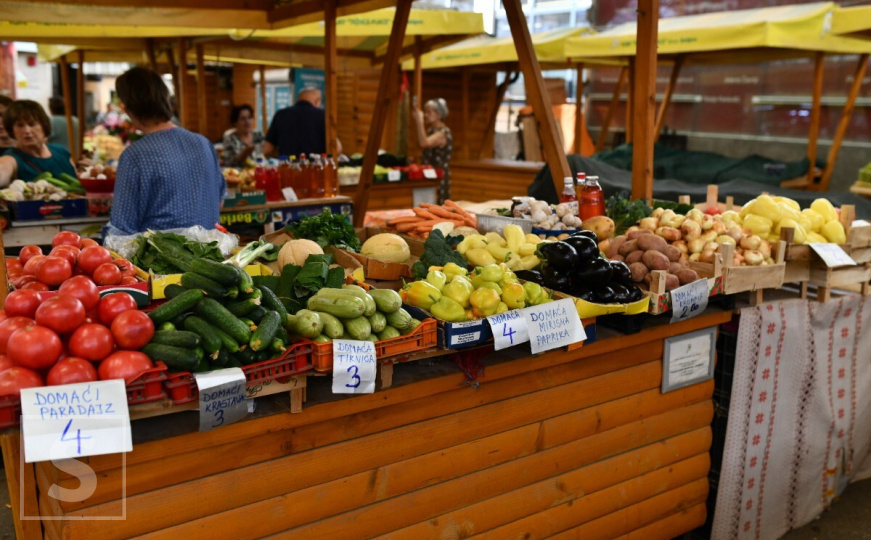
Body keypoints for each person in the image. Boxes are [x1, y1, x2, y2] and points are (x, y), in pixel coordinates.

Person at [105, 66, 225, 236]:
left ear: (128, 108)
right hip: (211, 256)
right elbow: (219, 202)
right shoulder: (203, 143)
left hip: (158, 261)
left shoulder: (135, 156)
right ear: (165, 99)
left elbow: (122, 229)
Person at [0, 100, 77, 186]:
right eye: (20, 125)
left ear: (44, 125)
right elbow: (3, 168)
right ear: (12, 130)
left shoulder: (61, 152)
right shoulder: (12, 159)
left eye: (32, 124)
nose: (27, 131)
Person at [263, 88, 342, 157]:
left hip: (287, 168)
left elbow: (267, 149)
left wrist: (283, 154)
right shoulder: (324, 116)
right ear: (317, 101)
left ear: (298, 99)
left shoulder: (280, 114)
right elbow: (337, 149)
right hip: (316, 169)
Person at [413, 98, 453, 204]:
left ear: (439, 115)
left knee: (438, 207)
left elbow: (423, 143)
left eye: (429, 112)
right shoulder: (431, 130)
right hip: (430, 175)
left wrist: (419, 121)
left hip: (439, 177)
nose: (426, 115)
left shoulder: (443, 133)